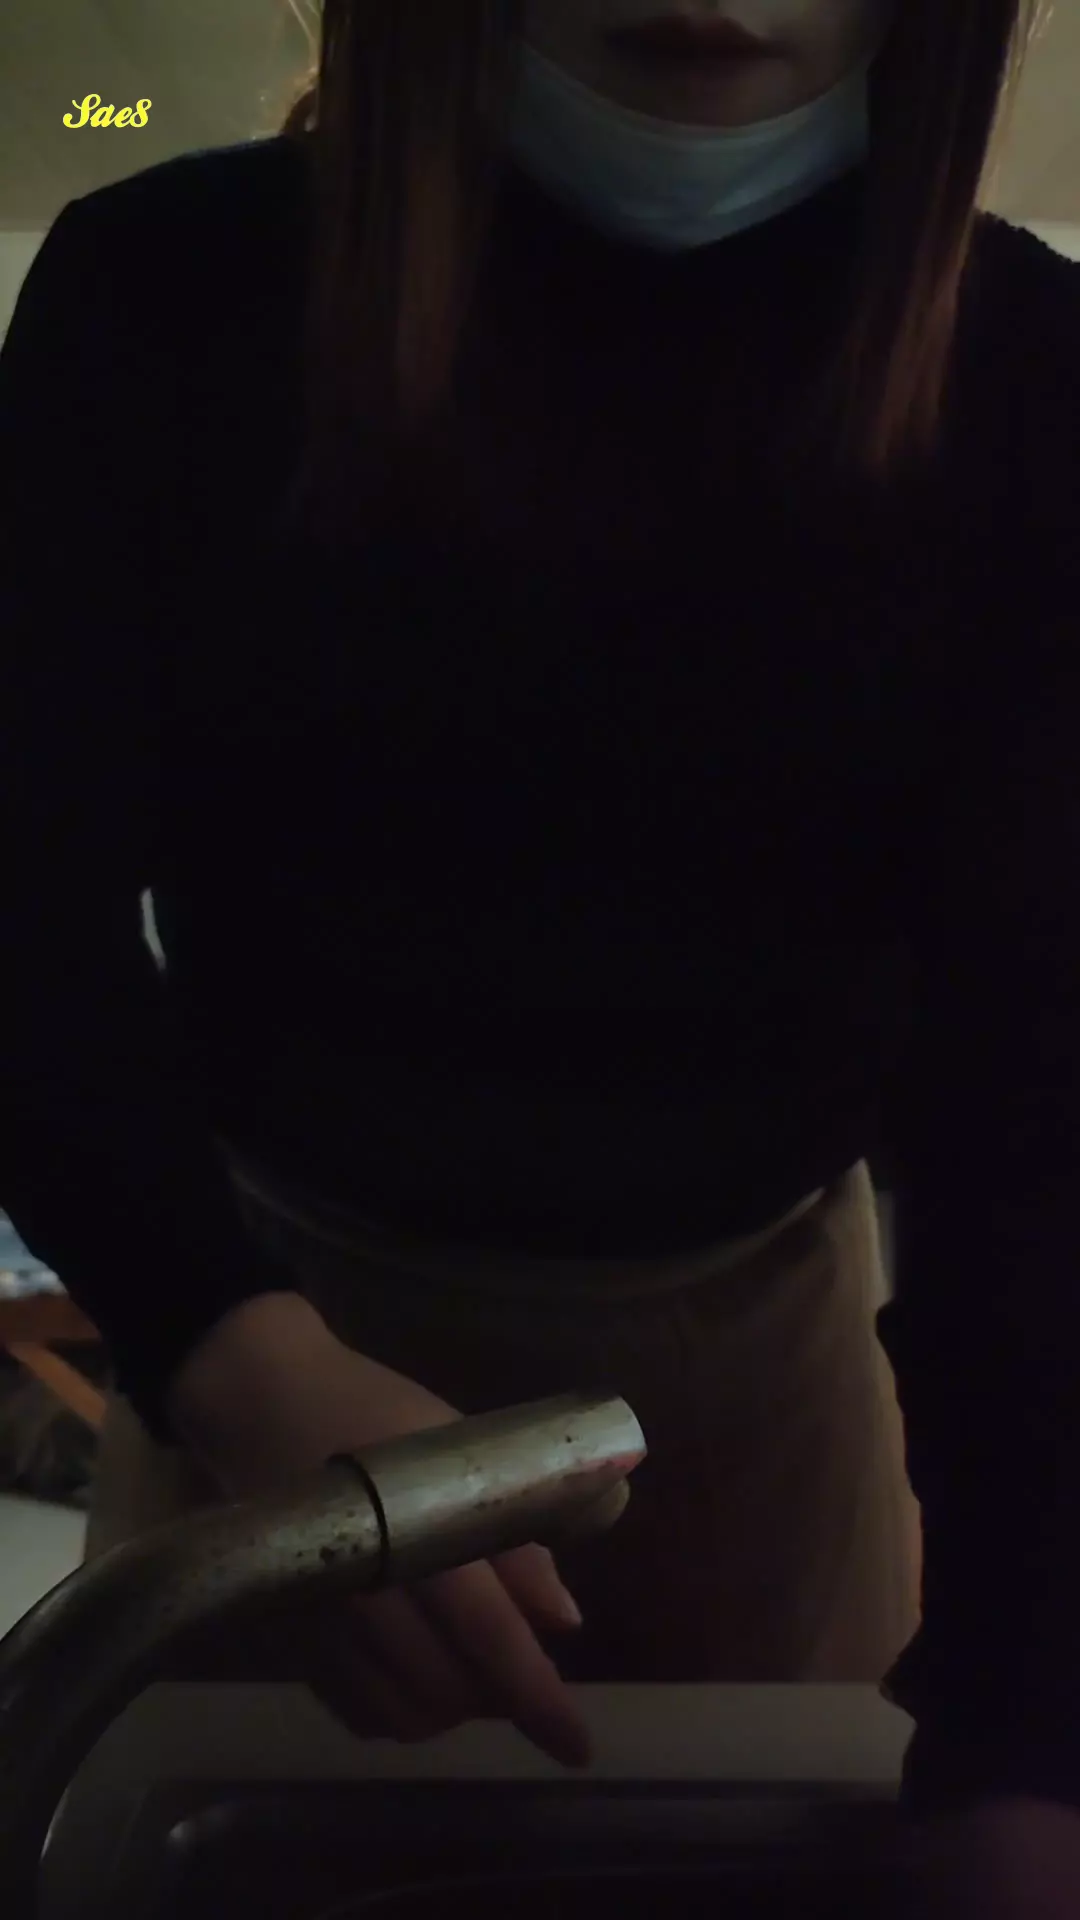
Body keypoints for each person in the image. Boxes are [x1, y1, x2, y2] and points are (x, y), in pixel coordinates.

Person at [2, 1, 1078, 1908]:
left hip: (766, 1394)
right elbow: (22, 918)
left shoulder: (1030, 381)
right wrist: (235, 1360)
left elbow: (1029, 1103)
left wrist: (1026, 1735)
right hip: (262, 1350)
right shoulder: (159, 299)